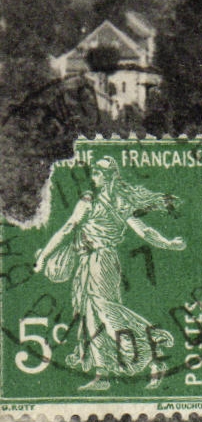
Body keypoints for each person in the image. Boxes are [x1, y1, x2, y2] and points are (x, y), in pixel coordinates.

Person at [32, 157, 186, 390]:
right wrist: (168, 243)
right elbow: (144, 231)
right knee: (91, 316)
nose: (93, 177)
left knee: (105, 312)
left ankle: (153, 345)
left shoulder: (90, 201)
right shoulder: (121, 202)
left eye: (97, 173)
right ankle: (103, 374)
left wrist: (44, 256)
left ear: (108, 176)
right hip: (97, 262)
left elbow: (68, 228)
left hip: (98, 261)